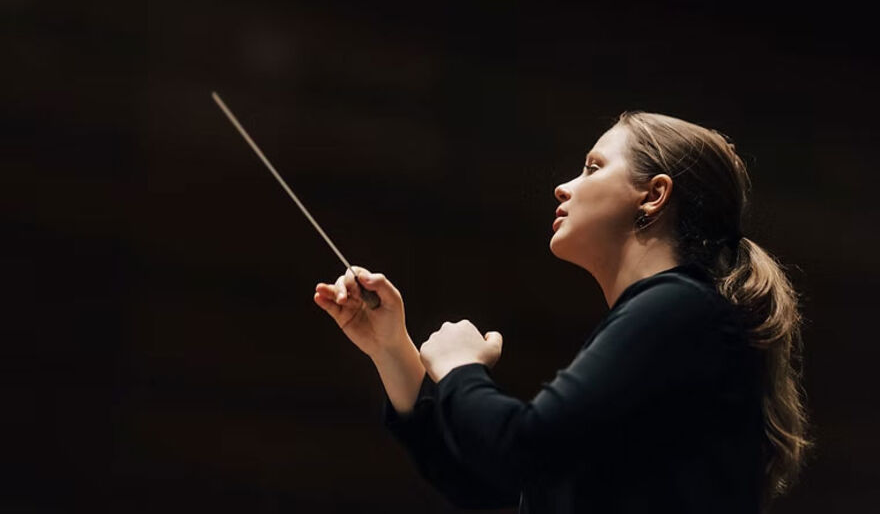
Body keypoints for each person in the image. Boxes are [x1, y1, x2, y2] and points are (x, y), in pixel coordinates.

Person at [313, 111, 812, 513]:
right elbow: (492, 487)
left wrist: (462, 368)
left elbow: (524, 449)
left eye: (593, 167)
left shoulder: (680, 307)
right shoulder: (675, 315)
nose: (563, 187)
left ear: (654, 194)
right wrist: (391, 348)